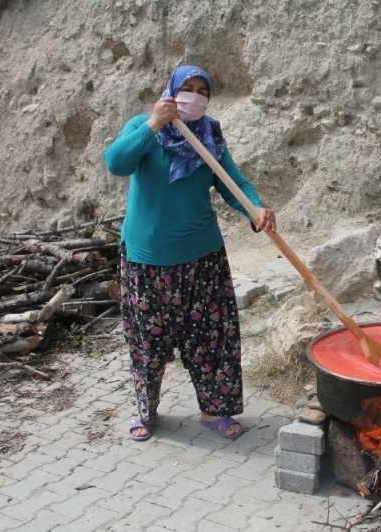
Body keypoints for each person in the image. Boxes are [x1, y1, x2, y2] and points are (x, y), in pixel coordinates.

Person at [103, 65, 275, 441]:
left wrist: (256, 209)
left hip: (203, 257)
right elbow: (116, 163)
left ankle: (215, 411)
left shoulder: (209, 135)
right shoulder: (144, 127)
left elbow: (233, 182)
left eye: (202, 90)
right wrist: (153, 124)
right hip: (148, 261)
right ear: (171, 91)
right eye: (187, 88)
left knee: (211, 338)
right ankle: (147, 413)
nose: (194, 96)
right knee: (148, 342)